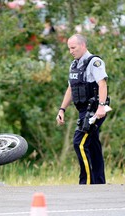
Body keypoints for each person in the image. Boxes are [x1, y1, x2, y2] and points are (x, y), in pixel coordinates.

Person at [56, 34, 108, 184]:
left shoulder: (95, 62)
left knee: (79, 143)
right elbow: (71, 89)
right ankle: (99, 182)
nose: (71, 51)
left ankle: (86, 182)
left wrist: (102, 107)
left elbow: (102, 84)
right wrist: (62, 109)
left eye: (73, 47)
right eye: (69, 48)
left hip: (94, 109)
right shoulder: (74, 65)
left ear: (83, 45)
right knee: (92, 144)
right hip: (83, 111)